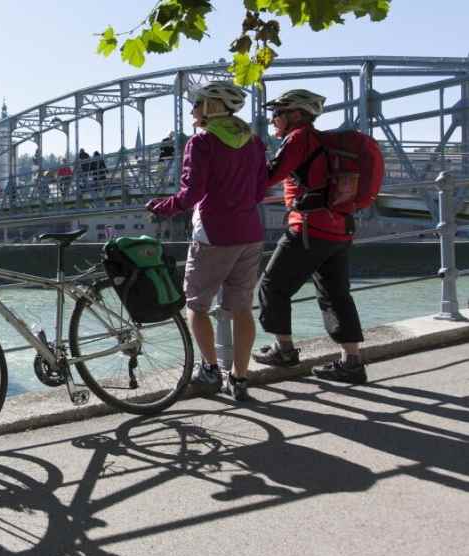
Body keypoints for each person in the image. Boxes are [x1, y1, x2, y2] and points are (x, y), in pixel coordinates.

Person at [145, 81, 268, 401]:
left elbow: (191, 194)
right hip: (251, 233)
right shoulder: (253, 141)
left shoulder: (202, 142)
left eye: (198, 104)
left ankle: (210, 369)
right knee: (242, 309)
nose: (192, 111)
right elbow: (258, 192)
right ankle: (239, 379)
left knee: (196, 305)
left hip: (214, 235)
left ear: (212, 106)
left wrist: (162, 207)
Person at [253, 89, 368, 384]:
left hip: (308, 228)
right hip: (339, 228)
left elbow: (268, 176)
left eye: (277, 112)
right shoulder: (321, 141)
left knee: (271, 285)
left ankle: (283, 350)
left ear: (296, 114)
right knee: (335, 294)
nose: (272, 118)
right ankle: (352, 362)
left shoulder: (299, 138)